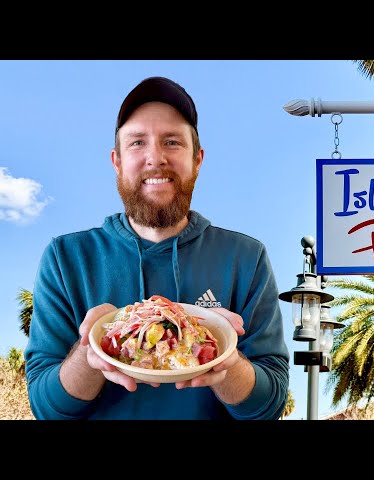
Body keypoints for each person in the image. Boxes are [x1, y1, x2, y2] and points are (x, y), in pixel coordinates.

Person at [24, 76, 290, 420]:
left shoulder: (246, 257)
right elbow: (46, 409)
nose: (155, 157)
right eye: (137, 143)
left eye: (172, 142)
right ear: (116, 161)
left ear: (197, 159)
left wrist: (227, 360)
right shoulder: (65, 258)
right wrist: (91, 352)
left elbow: (269, 407)